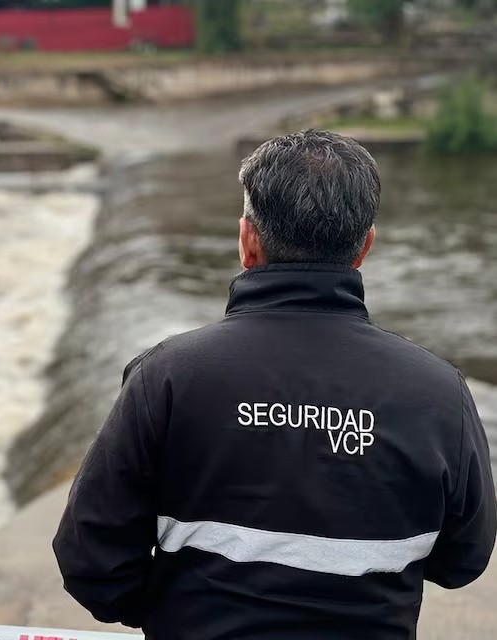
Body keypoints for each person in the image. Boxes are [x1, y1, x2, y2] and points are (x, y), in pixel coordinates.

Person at [52, 130, 497, 640]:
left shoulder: (168, 376)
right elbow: (464, 560)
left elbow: (90, 557)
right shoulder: (439, 394)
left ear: (248, 241)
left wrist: (177, 614)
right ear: (364, 247)